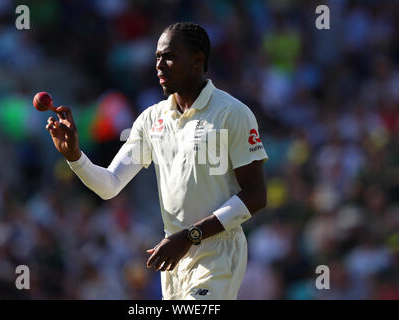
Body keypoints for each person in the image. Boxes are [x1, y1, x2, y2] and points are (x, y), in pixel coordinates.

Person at [45, 22, 268, 300]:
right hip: (173, 256)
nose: (159, 65)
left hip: (217, 251)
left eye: (169, 56)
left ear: (198, 60)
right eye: (157, 57)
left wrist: (190, 237)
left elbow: (256, 197)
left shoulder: (232, 113)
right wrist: (75, 156)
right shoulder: (152, 119)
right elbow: (110, 185)